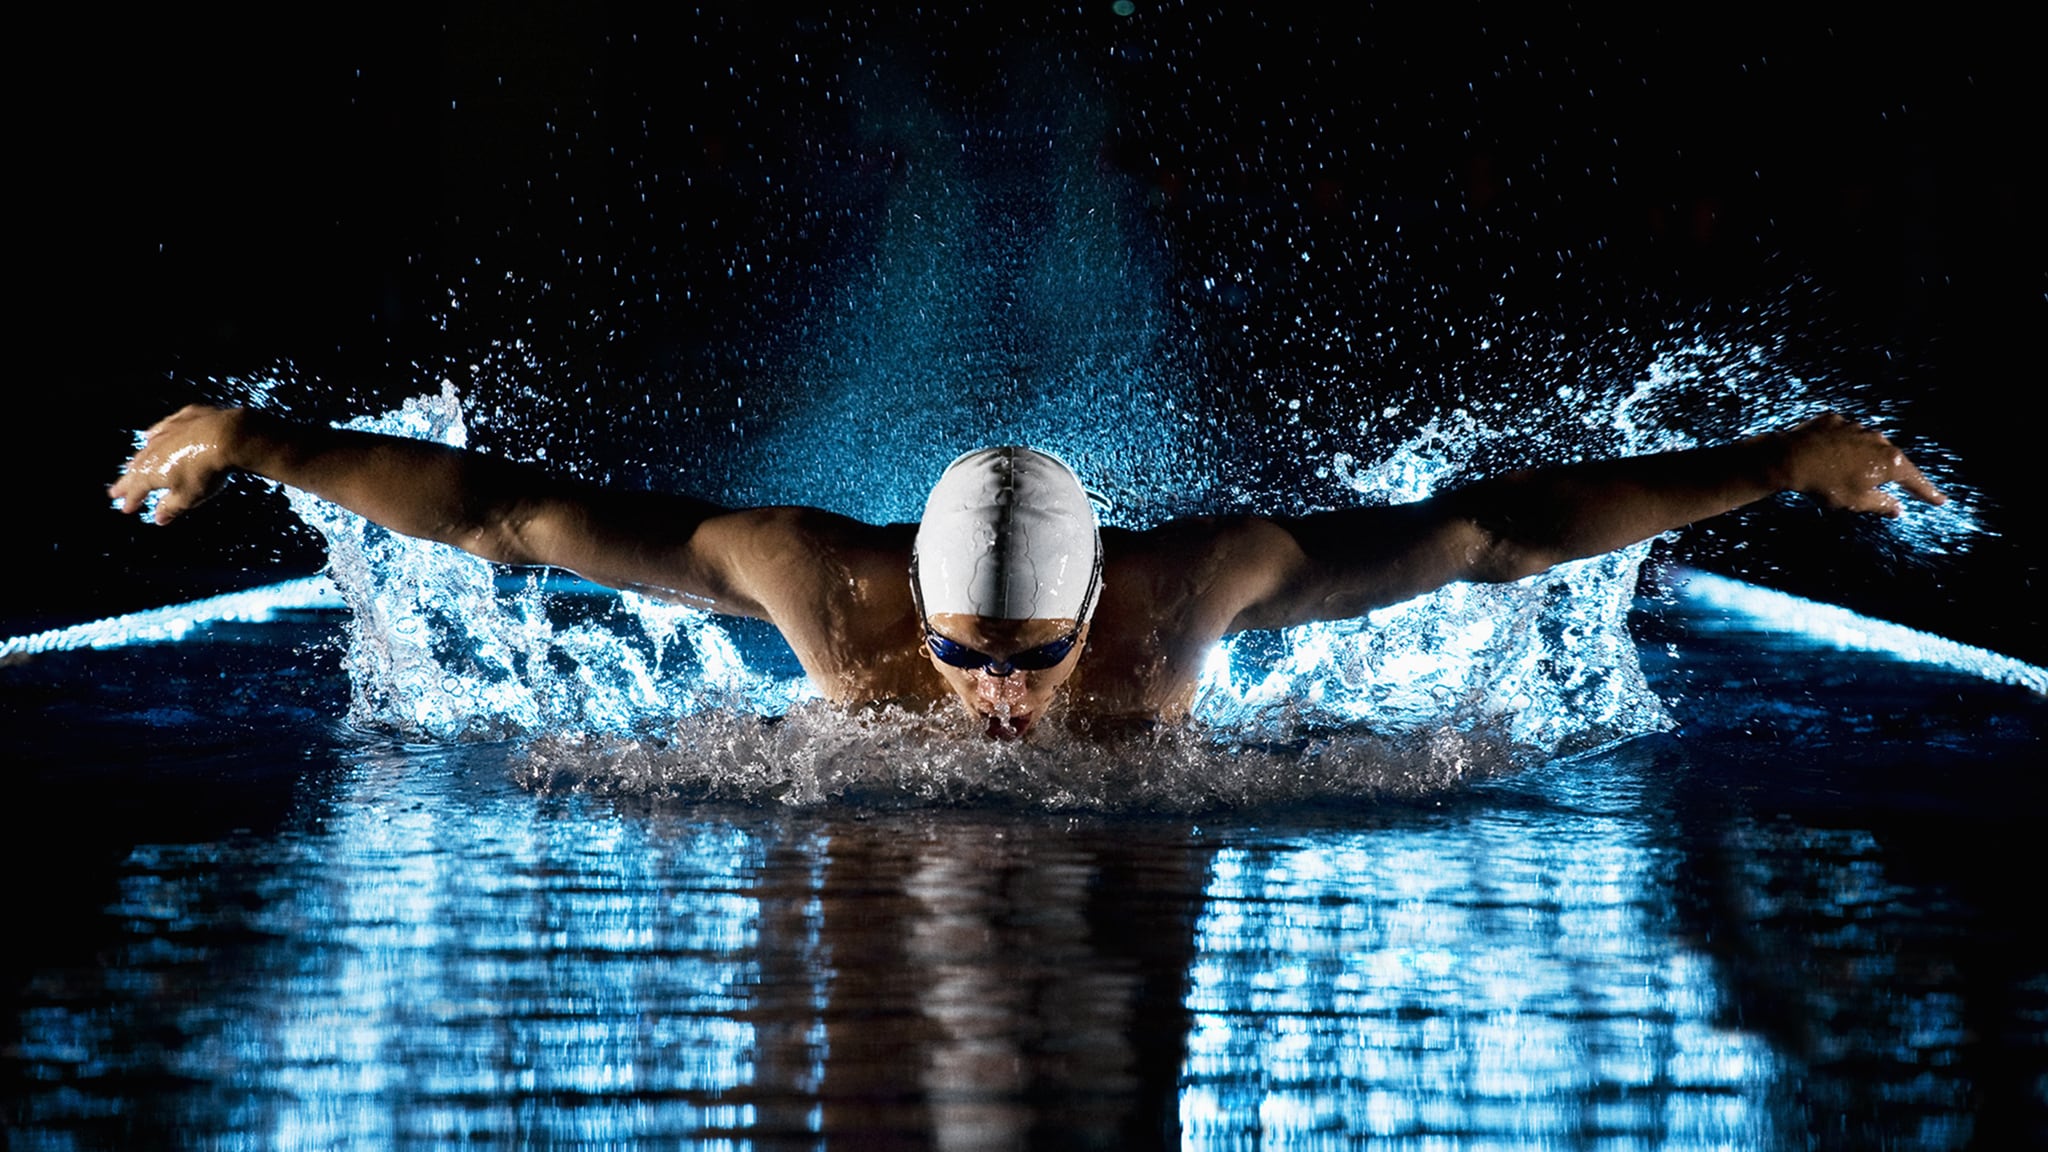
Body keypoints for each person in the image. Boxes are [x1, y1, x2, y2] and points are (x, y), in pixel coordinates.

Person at [111, 406, 1944, 739]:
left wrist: (1776, 466)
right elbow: (513, 518)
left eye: (1031, 657)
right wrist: (260, 441)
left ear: (1096, 607)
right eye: (966, 651)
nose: (994, 694)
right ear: (907, 601)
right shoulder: (814, 585)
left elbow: (1489, 536)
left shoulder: (1193, 594)